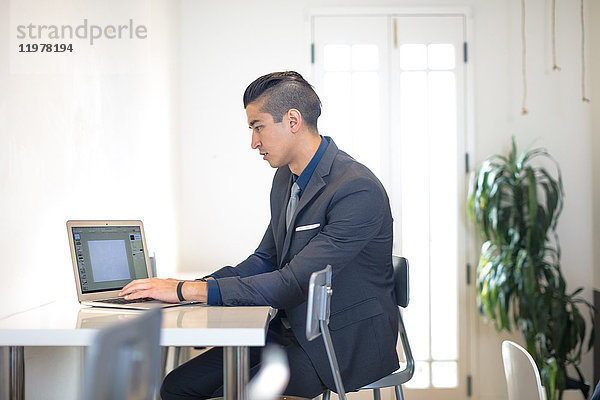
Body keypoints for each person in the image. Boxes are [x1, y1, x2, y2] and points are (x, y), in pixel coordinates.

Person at [120, 71, 400, 399]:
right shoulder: (286, 178)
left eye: (258, 126)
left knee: (234, 393)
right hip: (288, 330)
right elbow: (265, 260)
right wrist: (192, 287)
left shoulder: (356, 189)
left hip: (339, 340)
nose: (254, 142)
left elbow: (291, 283)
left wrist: (187, 290)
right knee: (177, 386)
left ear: (292, 120)